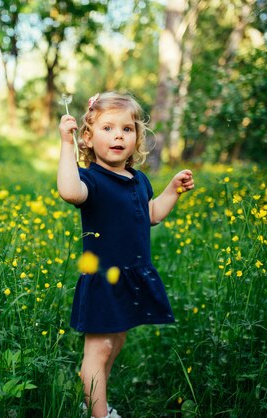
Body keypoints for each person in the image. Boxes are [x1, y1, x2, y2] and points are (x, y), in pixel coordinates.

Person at [57, 92, 194, 418]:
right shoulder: (90, 179)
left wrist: (171, 189)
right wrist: (65, 146)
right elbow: (69, 191)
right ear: (87, 138)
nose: (118, 135)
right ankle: (98, 414)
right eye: (107, 128)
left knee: (116, 342)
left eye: (127, 129)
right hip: (105, 278)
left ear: (137, 138)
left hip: (130, 274)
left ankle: (93, 394)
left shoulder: (138, 180)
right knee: (99, 348)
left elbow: (150, 214)